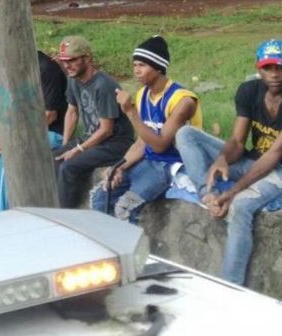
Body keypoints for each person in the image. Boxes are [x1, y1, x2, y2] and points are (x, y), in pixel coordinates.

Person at [175, 39, 282, 285]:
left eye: (280, 67)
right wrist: (221, 160)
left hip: (277, 170)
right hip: (252, 161)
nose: (275, 74)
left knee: (241, 206)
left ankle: (230, 285)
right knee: (186, 134)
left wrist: (233, 191)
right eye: (268, 68)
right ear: (258, 67)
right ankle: (207, 193)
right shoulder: (249, 91)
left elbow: (274, 155)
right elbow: (236, 140)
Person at [90, 36, 201, 223]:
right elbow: (142, 141)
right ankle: (107, 249)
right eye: (134, 65)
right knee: (99, 196)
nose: (136, 71)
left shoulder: (183, 101)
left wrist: (130, 111)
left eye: (142, 65)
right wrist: (118, 167)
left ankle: (131, 252)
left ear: (158, 67)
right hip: (148, 161)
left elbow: (159, 146)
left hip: (170, 165)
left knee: (124, 208)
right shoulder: (143, 94)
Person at [0, 50, 67, 214]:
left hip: (50, 133)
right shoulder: (13, 71)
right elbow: (13, 112)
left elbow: (50, 115)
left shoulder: (47, 69)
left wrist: (14, 139)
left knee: (12, 156)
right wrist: (2, 135)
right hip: (20, 132)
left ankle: (4, 216)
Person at [54, 36, 135, 208]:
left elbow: (106, 130)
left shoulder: (103, 85)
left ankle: (67, 216)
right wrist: (66, 146)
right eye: (64, 61)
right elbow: (72, 112)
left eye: (72, 60)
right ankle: (51, 210)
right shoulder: (73, 79)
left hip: (115, 143)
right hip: (92, 137)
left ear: (87, 58)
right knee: (54, 158)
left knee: (69, 167)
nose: (67, 66)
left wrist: (77, 150)